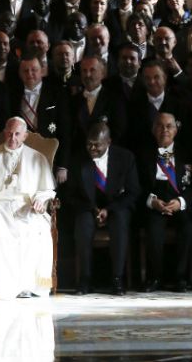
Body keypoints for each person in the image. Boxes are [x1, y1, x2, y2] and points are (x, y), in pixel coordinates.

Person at [0, 117, 57, 299]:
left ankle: (36, 286)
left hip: (27, 207)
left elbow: (47, 189)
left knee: (40, 230)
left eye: (17, 134)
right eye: (9, 133)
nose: (12, 137)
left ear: (25, 135)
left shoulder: (38, 158)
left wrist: (40, 201)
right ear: (4, 133)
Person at [69, 123, 139, 295]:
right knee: (82, 224)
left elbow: (133, 192)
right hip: (88, 207)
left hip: (116, 207)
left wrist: (109, 210)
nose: (92, 148)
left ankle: (117, 278)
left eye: (97, 144)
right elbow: (71, 195)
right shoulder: (78, 159)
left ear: (108, 142)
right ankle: (85, 278)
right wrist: (93, 209)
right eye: (89, 144)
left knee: (120, 221)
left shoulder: (126, 158)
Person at [139, 113, 192, 293]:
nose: (165, 130)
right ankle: (155, 277)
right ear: (153, 130)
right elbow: (137, 186)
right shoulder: (142, 154)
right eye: (160, 126)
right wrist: (152, 201)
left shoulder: (189, 152)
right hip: (156, 204)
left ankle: (181, 278)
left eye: (169, 126)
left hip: (179, 203)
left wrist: (181, 202)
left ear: (176, 129)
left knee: (188, 228)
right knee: (154, 230)